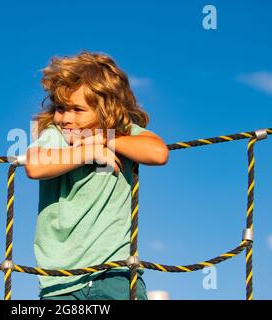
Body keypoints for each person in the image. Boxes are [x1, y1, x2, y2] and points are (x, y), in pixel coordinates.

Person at [25, 50, 169, 300]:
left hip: (115, 273)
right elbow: (34, 165)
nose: (66, 118)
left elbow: (158, 153)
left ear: (106, 110)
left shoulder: (119, 134)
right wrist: (88, 151)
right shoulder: (57, 135)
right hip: (60, 280)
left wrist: (105, 138)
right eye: (60, 108)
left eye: (77, 109)